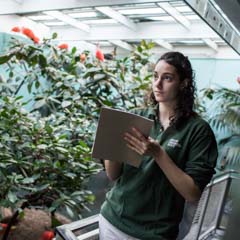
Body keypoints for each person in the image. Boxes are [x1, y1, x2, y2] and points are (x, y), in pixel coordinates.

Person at [99, 51, 218, 240]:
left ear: (184, 83)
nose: (158, 84)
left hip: (154, 234)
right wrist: (112, 143)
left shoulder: (198, 131)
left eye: (167, 78)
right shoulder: (138, 117)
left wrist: (159, 154)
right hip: (112, 220)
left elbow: (193, 193)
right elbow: (113, 175)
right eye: (155, 76)